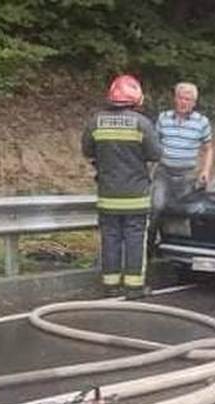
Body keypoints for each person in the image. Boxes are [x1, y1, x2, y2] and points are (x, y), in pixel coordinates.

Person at [82, 75, 162, 298]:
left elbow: (87, 151)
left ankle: (110, 285)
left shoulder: (95, 121)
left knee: (110, 239)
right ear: (135, 98)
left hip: (107, 195)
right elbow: (156, 154)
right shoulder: (142, 124)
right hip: (136, 196)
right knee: (136, 240)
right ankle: (134, 287)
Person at [152, 82, 215, 219]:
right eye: (181, 98)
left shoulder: (202, 122)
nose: (183, 102)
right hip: (164, 172)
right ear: (175, 99)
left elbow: (208, 149)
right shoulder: (163, 118)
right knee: (157, 206)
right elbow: (154, 144)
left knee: (183, 211)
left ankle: (175, 238)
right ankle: (152, 239)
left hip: (187, 175)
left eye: (188, 99)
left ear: (194, 103)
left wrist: (205, 170)